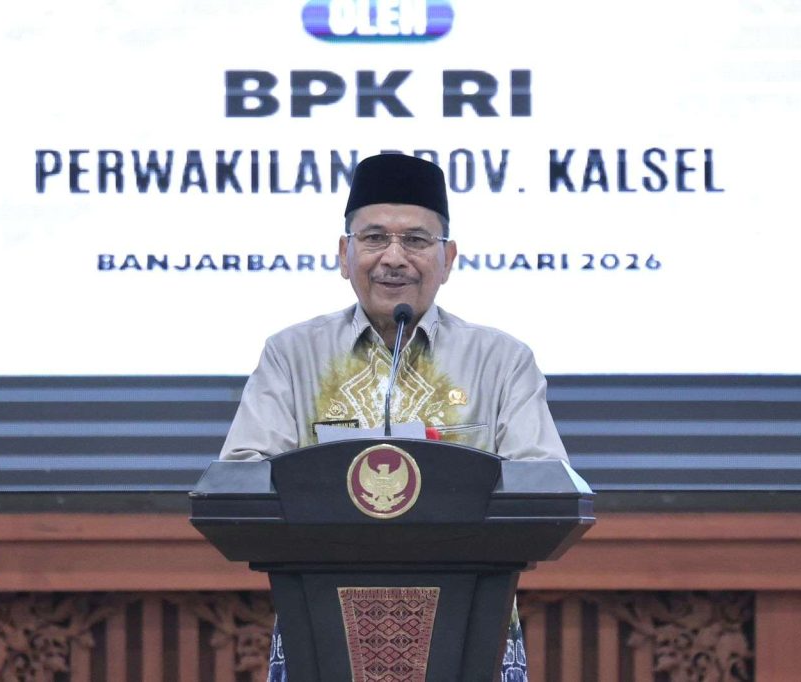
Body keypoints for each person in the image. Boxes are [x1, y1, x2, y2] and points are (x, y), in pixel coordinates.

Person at [220, 153, 567, 682]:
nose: (394, 258)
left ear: (448, 258)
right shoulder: (292, 355)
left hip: (471, 629)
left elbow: (543, 485)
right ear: (344, 253)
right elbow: (241, 478)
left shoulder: (501, 361)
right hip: (321, 629)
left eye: (417, 240)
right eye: (375, 238)